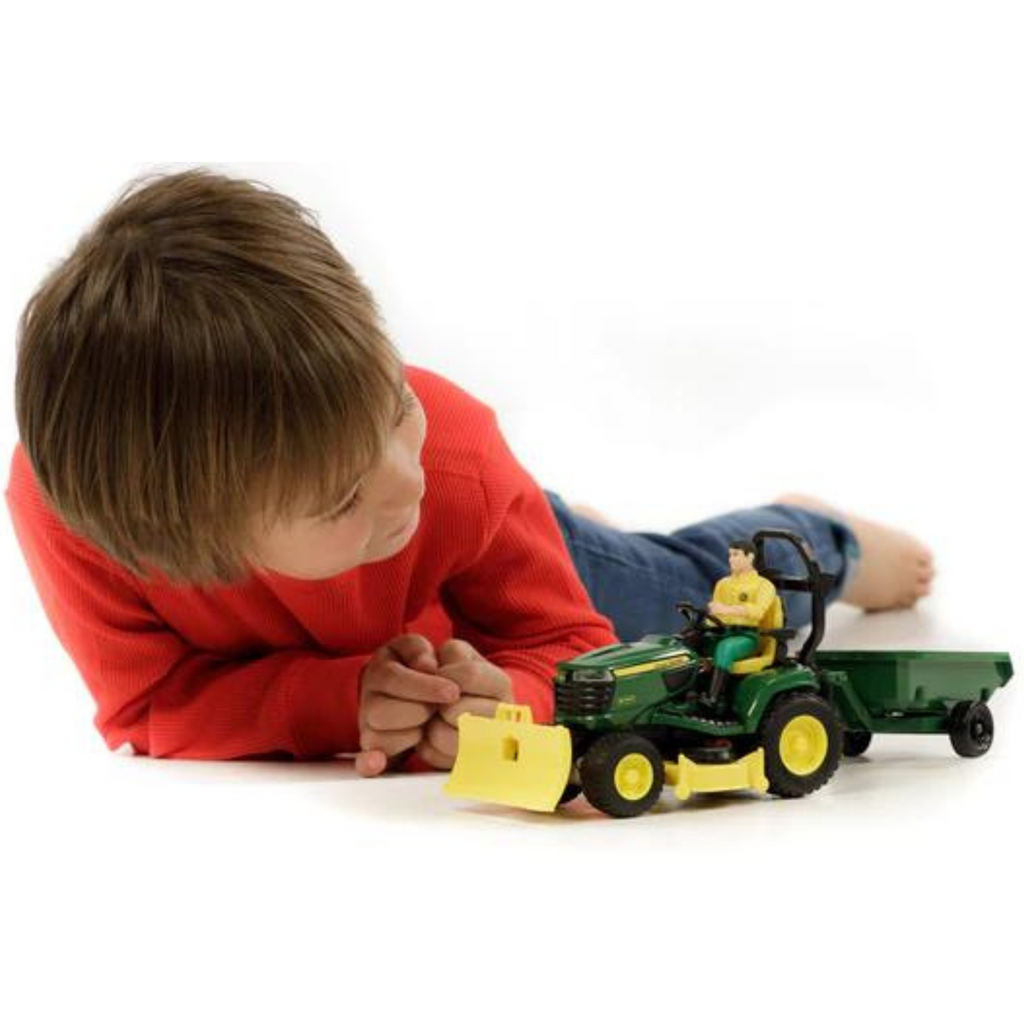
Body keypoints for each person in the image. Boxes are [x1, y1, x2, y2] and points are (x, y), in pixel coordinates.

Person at [5, 168, 936, 779]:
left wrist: (519, 698)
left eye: (392, 403)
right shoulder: (73, 518)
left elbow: (571, 640)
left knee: (686, 600)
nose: (399, 479)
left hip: (482, 537)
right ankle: (564, 528)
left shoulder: (445, 464)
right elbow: (150, 703)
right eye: (338, 497)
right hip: (424, 592)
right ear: (185, 546)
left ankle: (822, 534)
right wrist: (339, 700)